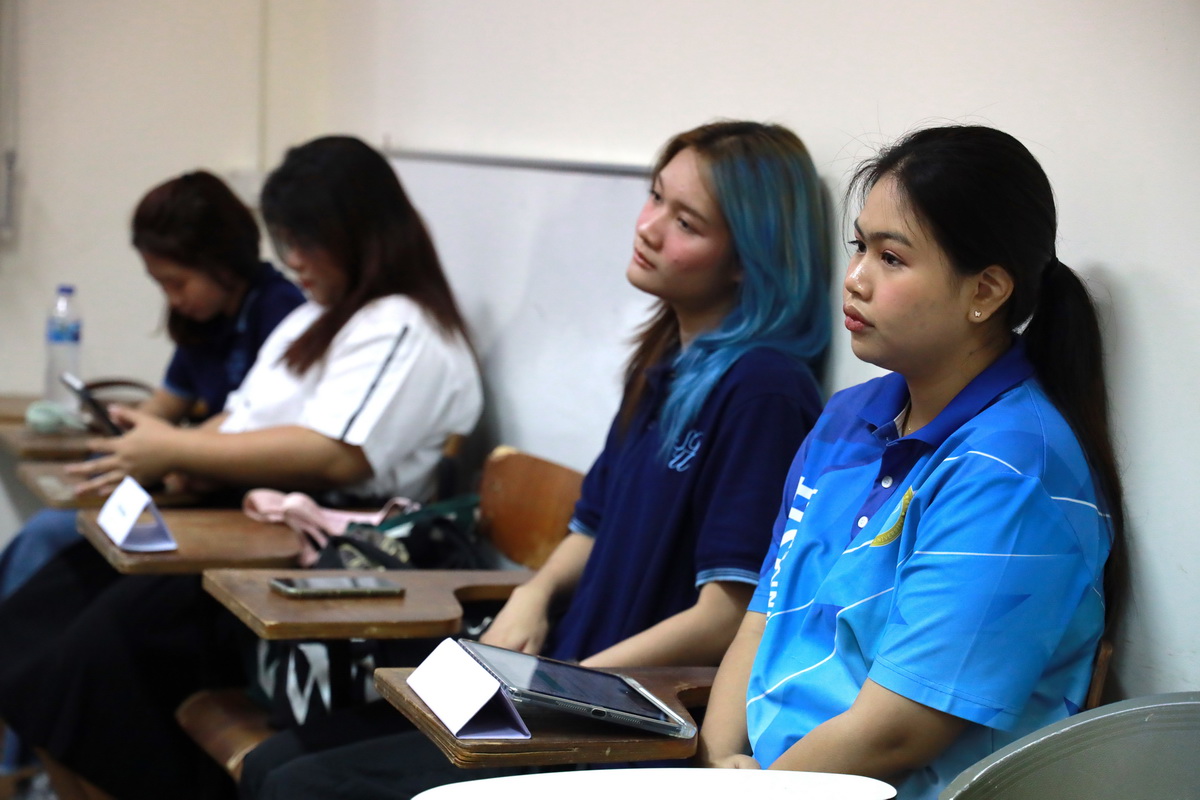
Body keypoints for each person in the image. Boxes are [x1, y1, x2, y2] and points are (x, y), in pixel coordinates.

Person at [244, 119, 831, 799]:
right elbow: (592, 524)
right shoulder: (667, 361)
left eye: (686, 223)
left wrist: (567, 685)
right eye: (654, 196)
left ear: (747, 259)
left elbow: (728, 613)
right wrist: (534, 594)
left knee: (302, 786)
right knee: (271, 761)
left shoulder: (764, 390)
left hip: (619, 722)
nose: (648, 227)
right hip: (561, 687)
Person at [0, 135, 483, 799]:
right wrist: (168, 450)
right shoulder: (314, 318)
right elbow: (244, 417)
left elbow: (334, 454)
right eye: (286, 240)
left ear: (362, 232)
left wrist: (176, 449)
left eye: (306, 240)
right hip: (243, 529)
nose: (292, 259)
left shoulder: (402, 324)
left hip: (312, 564)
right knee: (32, 619)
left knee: (93, 656)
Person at [695, 125, 1125, 800]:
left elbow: (897, 733)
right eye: (859, 247)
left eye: (892, 258)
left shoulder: (1011, 472)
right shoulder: (848, 418)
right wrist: (719, 760)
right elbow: (765, 616)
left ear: (986, 291)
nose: (855, 279)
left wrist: (757, 790)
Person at [0, 171, 304, 603]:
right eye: (161, 285)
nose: (173, 299)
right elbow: (164, 405)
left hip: (240, 498)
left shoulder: (281, 311)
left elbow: (252, 420)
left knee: (56, 538)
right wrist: (129, 430)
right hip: (193, 480)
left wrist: (170, 452)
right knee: (48, 530)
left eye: (178, 283)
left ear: (222, 262)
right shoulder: (203, 319)